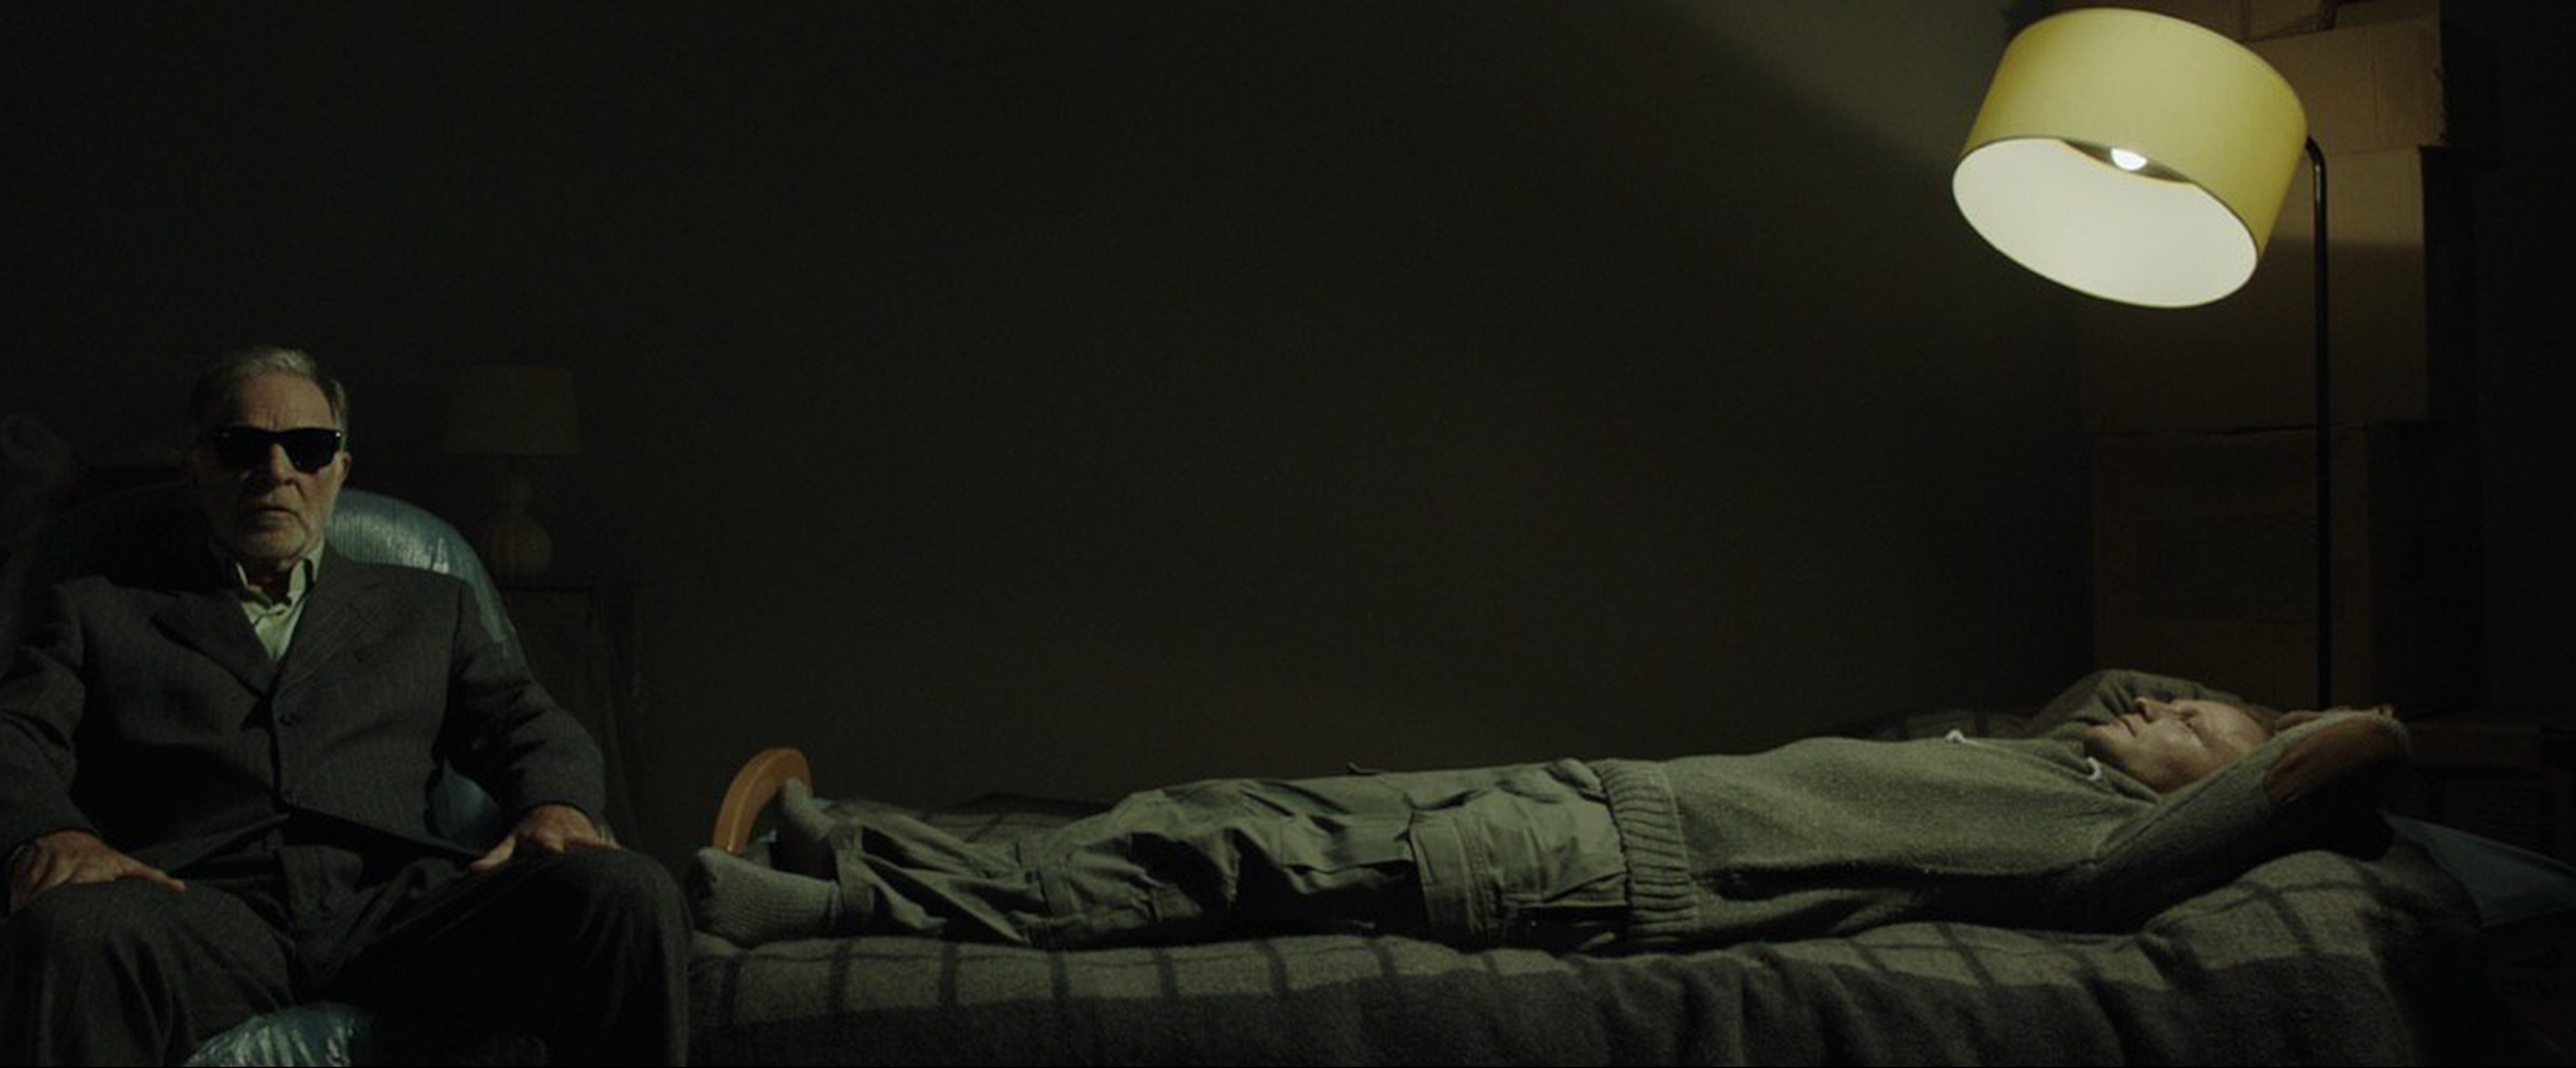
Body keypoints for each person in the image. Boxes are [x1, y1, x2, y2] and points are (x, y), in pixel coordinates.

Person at [0, 346, 689, 1065]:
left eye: (308, 448)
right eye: (240, 447)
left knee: (625, 893)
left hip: (396, 914)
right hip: (198, 915)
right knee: (69, 931)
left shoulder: (429, 609)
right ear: (195, 467)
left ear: (340, 469)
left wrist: (555, 805)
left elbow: (529, 726)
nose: (275, 472)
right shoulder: (101, 609)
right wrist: (50, 835)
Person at [692, 668, 2406, 956]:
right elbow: (2114, 678)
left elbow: (2326, 761)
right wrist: (2179, 718)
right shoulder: (2054, 754)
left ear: (2232, 789)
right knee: (1212, 803)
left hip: (1612, 870)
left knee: (1222, 866)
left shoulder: (2104, 850)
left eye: (2194, 722)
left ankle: (843, 911)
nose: (2149, 708)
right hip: (1598, 795)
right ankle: (871, 844)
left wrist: (2312, 732)